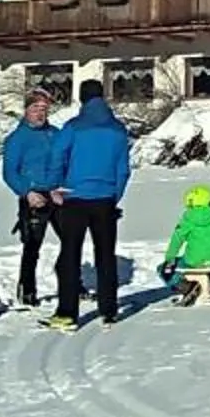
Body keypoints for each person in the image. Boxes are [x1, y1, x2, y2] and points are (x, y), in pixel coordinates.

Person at [47, 79, 132, 329]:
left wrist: (55, 186)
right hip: (105, 198)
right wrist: (114, 195)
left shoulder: (73, 127)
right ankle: (109, 310)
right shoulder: (117, 129)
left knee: (70, 255)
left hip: (75, 197)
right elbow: (123, 169)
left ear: (82, 98)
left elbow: (57, 156)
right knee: (105, 255)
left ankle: (67, 313)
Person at [0, 83, 63, 306]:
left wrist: (61, 186)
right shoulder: (17, 138)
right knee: (32, 246)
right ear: (26, 110)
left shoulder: (55, 134)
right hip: (34, 196)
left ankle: (72, 282)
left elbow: (65, 162)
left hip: (57, 194)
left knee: (71, 241)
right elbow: (9, 172)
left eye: (44, 109)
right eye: (36, 108)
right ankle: (27, 290)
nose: (40, 113)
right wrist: (27, 192)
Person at [157, 182, 210, 304]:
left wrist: (169, 259)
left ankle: (187, 287)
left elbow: (177, 240)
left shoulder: (187, 221)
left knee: (161, 269)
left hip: (192, 261)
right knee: (207, 261)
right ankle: (204, 287)